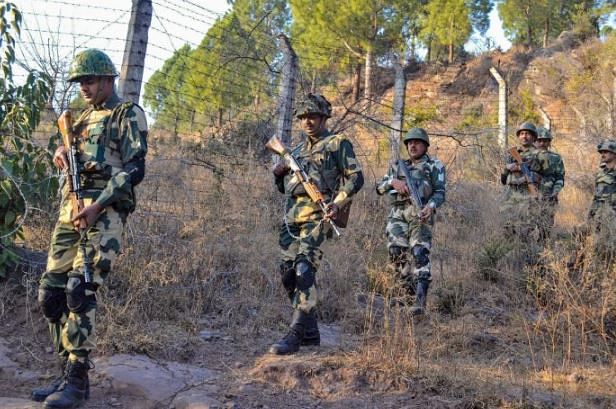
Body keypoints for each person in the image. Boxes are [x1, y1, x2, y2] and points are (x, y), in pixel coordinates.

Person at [33, 49, 148, 409]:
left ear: (108, 79)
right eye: (80, 81)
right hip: (72, 211)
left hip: (104, 211)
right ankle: (65, 370)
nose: (84, 86)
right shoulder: (80, 119)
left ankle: (78, 383)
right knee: (49, 295)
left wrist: (98, 205)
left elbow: (135, 168)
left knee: (78, 291)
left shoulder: (125, 114)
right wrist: (62, 154)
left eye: (90, 80)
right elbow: (74, 158)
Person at [270, 93, 364, 355]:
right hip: (292, 218)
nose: (307, 121)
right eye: (303, 117)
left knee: (304, 269)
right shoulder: (297, 152)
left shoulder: (337, 143)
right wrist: (279, 174)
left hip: (319, 215)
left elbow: (356, 177)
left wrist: (339, 202)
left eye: (312, 116)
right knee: (287, 273)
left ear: (323, 117)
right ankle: (310, 332)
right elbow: (285, 188)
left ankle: (296, 333)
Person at [376, 128, 446, 316]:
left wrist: (430, 207)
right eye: (409, 143)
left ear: (425, 145)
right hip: (398, 213)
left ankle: (420, 301)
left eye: (417, 142)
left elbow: (440, 192)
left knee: (419, 252)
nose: (412, 145)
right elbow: (378, 187)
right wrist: (393, 182)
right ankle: (404, 294)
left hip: (421, 212)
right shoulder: (397, 166)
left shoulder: (434, 165)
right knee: (396, 252)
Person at [533, 127, 565, 242]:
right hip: (529, 197)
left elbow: (560, 177)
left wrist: (555, 191)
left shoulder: (556, 158)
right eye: (539, 140)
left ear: (549, 142)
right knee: (527, 227)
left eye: (545, 140)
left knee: (545, 228)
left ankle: (543, 251)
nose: (542, 143)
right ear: (534, 141)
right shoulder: (528, 156)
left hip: (548, 197)